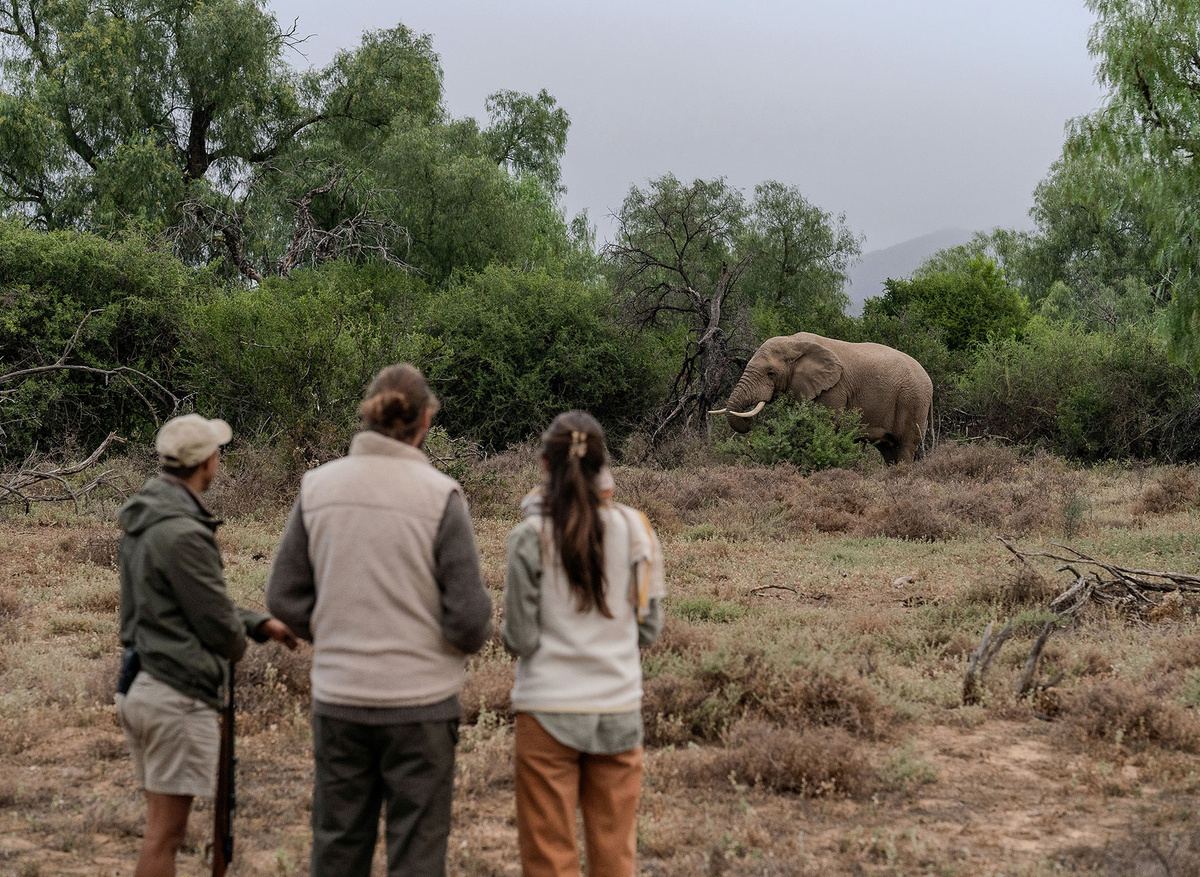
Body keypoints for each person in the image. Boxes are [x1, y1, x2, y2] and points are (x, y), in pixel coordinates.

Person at [266, 363, 493, 877]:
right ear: (426, 420)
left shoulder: (317, 487)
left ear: (367, 415)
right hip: (421, 706)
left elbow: (282, 596)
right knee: (417, 853)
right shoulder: (440, 496)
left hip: (341, 700)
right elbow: (470, 622)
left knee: (339, 846)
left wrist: (337, 628)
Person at [116, 413, 298, 877]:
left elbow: (180, 605)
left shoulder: (146, 517)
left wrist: (259, 623)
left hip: (142, 679)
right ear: (205, 462)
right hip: (176, 692)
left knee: (160, 831)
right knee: (166, 838)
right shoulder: (184, 532)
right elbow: (217, 627)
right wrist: (238, 640)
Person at [504, 411, 665, 877]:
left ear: (543, 464)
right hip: (618, 709)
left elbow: (520, 637)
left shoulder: (529, 536)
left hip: (546, 712)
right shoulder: (637, 529)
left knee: (549, 858)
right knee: (615, 856)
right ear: (604, 465)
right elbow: (649, 629)